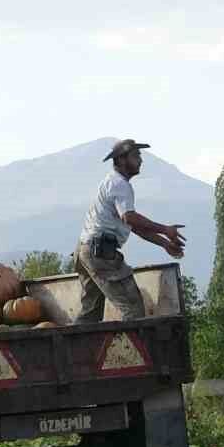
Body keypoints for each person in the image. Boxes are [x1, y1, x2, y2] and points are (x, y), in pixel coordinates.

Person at [74, 138, 186, 323]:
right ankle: (130, 352)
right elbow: (130, 218)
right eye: (136, 156)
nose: (141, 160)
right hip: (100, 254)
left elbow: (133, 226)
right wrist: (165, 229)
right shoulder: (120, 184)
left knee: (90, 314)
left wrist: (165, 243)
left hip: (85, 250)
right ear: (121, 160)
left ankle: (76, 351)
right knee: (133, 309)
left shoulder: (112, 182)